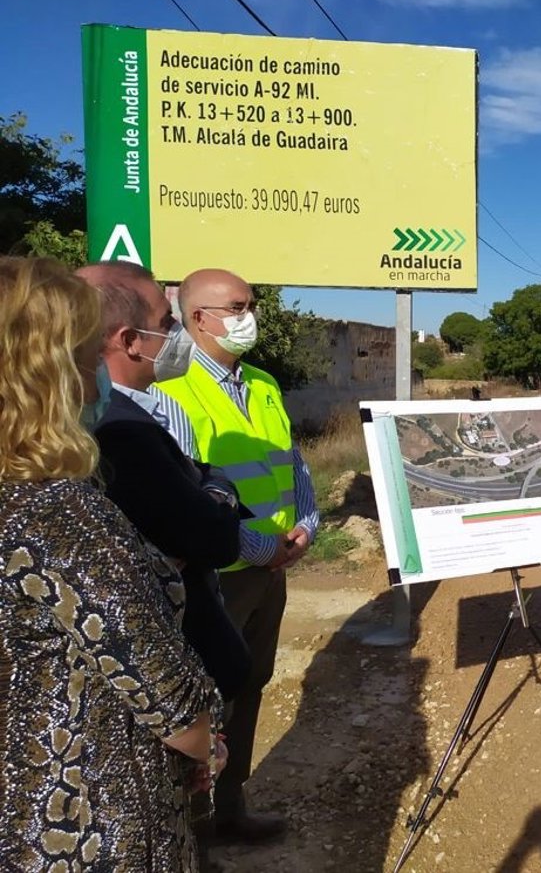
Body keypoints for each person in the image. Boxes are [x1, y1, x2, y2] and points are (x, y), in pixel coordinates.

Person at [0, 256, 225, 871]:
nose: (95, 377)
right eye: (83, 357)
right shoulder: (58, 510)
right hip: (93, 816)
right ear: (45, 373)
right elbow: (167, 694)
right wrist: (208, 744)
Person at [157, 267, 320, 843]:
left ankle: (229, 807)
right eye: (238, 307)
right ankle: (189, 824)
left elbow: (292, 464)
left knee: (250, 683)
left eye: (250, 305)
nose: (250, 317)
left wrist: (306, 526)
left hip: (272, 569)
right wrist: (258, 548)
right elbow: (188, 491)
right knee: (203, 693)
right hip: (216, 576)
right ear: (199, 318)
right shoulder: (169, 389)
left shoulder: (263, 383)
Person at [79, 260, 251, 701]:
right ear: (130, 341)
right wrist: (218, 487)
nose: (177, 332)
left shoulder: (115, 414)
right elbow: (213, 540)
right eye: (166, 321)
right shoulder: (121, 430)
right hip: (176, 678)